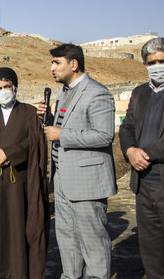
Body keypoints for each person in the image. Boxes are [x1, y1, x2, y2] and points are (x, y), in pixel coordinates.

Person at [37, 44, 117, 279]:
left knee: (92, 242)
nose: (52, 68)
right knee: (67, 239)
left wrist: (62, 135)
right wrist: (48, 118)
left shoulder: (97, 93)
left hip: (87, 183)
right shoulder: (64, 92)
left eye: (57, 63)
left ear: (74, 64)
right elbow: (67, 123)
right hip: (63, 179)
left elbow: (104, 135)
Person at [0, 67, 48, 279]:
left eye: (7, 87)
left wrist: (9, 153)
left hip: (20, 182)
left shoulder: (30, 113)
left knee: (19, 226)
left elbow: (35, 143)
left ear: (15, 88)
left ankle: (20, 271)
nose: (3, 91)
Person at [119, 37, 164, 279]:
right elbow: (126, 128)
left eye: (162, 61)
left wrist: (146, 152)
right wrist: (129, 151)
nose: (156, 66)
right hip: (144, 186)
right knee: (153, 258)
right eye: (151, 62)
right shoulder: (139, 93)